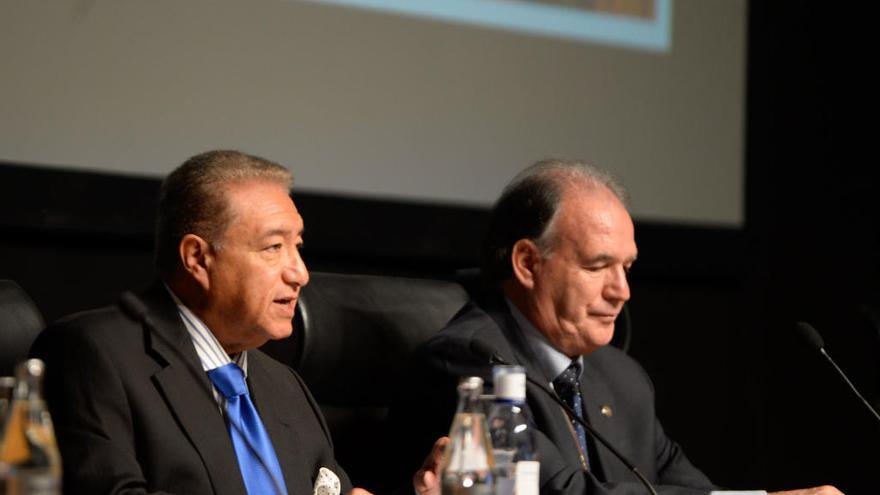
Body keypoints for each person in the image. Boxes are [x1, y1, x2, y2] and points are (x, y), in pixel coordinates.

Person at [389, 159, 842, 495]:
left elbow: (695, 490)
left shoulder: (622, 378)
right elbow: (561, 492)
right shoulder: (470, 362)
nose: (621, 291)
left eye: (626, 268)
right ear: (527, 262)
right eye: (598, 266)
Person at [29, 150, 444, 495]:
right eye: (273, 247)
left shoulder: (284, 386)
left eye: (296, 247)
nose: (299, 273)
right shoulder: (91, 354)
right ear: (197, 258)